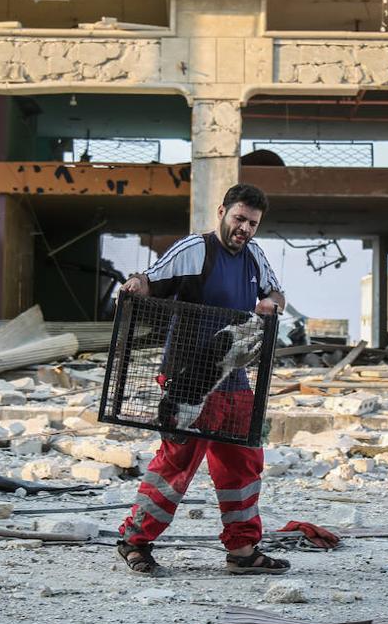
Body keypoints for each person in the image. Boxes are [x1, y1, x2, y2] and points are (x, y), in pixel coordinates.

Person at [116, 184, 291, 575]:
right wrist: (134, 285)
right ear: (222, 212)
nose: (244, 228)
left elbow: (277, 294)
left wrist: (270, 304)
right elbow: (151, 280)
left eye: (252, 223)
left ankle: (243, 550)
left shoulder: (255, 257)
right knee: (177, 462)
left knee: (244, 462)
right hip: (188, 378)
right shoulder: (194, 249)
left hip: (233, 380)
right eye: (239, 218)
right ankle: (135, 541)